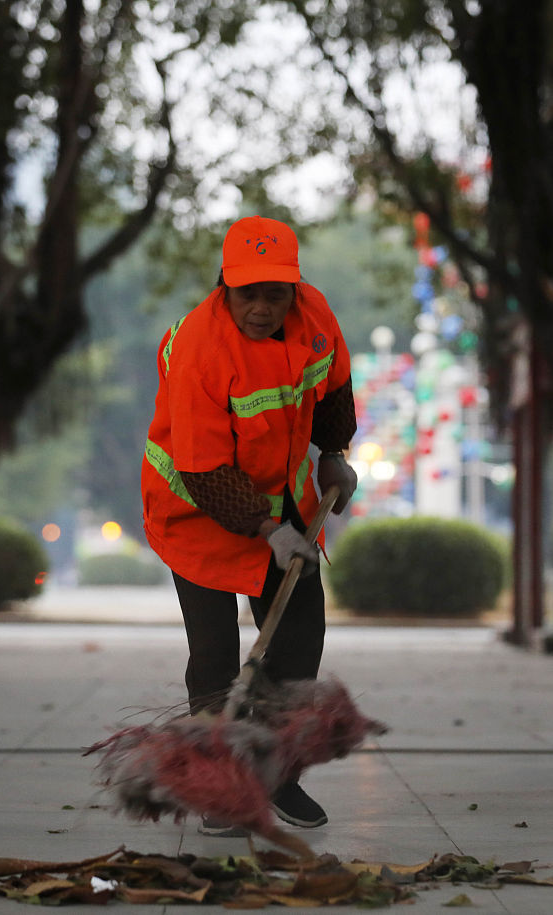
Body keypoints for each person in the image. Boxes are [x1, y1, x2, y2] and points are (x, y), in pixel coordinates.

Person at [141, 214, 359, 837]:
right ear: (223, 289)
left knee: (296, 642)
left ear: (295, 289)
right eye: (247, 295)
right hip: (196, 507)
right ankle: (219, 786)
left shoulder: (315, 321)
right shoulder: (198, 349)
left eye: (275, 294)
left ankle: (277, 775)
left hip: (280, 499)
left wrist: (334, 452)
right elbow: (203, 466)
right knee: (214, 656)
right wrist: (266, 530)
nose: (261, 309)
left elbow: (333, 392)